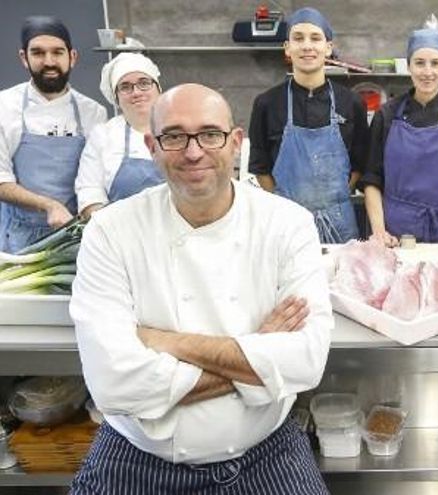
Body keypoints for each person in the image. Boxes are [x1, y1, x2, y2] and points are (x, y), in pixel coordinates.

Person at [68, 84, 331, 494]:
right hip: (137, 457)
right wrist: (261, 353)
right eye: (174, 136)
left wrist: (163, 342)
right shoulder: (110, 231)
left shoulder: (287, 223)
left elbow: (307, 361)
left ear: (236, 142)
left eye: (211, 134)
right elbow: (112, 383)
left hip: (265, 452)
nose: (194, 152)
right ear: (152, 146)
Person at [248, 7, 369, 243]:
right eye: (298, 38)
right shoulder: (267, 103)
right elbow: (260, 167)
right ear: (287, 48)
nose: (307, 46)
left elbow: (360, 162)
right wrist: (284, 206)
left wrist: (335, 197)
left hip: (341, 223)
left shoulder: (351, 102)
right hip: (287, 224)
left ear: (328, 47)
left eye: (315, 38)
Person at [361, 28, 438, 246]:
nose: (428, 72)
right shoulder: (387, 114)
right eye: (419, 63)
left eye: (435, 63)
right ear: (408, 66)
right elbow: (372, 179)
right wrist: (379, 232)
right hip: (394, 233)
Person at [0, 16, 106, 252]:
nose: (49, 61)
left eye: (57, 52)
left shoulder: (94, 113)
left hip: (76, 233)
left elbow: (95, 177)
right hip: (18, 237)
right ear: (23, 58)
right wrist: (49, 205)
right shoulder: (4, 106)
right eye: (38, 53)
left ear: (72, 57)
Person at [75, 53, 163, 219]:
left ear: (158, 88)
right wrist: (112, 231)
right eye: (125, 87)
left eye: (144, 83)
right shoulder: (104, 135)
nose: (136, 92)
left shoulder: (179, 127)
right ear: (116, 97)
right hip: (121, 236)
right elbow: (89, 192)